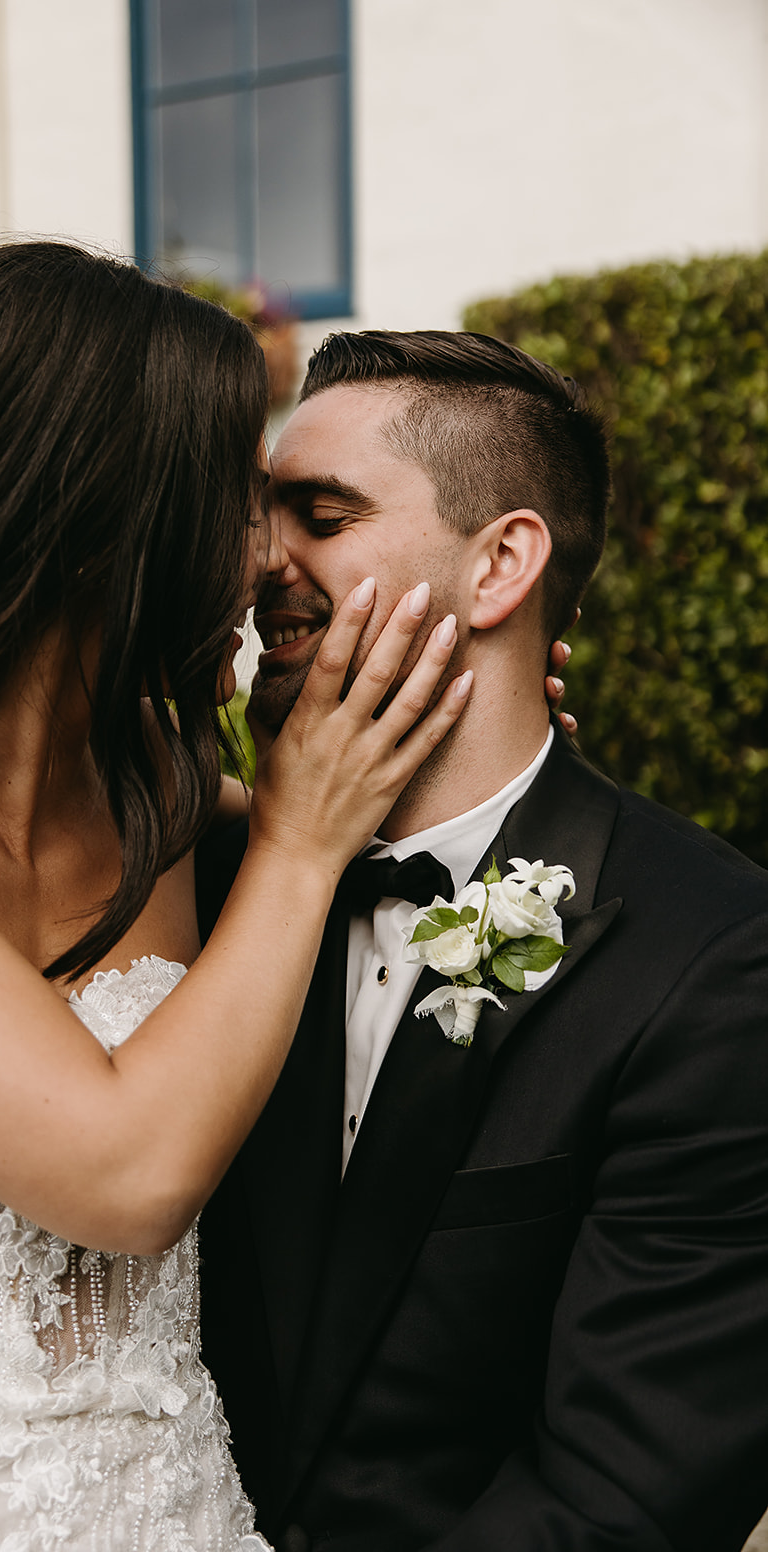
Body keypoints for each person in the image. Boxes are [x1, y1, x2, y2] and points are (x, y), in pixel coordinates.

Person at [0, 244, 479, 1550]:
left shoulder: (150, 790)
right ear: (110, 518)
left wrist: (477, 723)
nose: (267, 562)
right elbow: (126, 1176)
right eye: (241, 503)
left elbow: (381, 826)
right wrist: (294, 847)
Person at [198, 330, 768, 1552]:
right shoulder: (194, 890)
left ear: (500, 564)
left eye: (319, 512)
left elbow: (621, 1495)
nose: (259, 561)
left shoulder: (711, 966)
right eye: (258, 513)